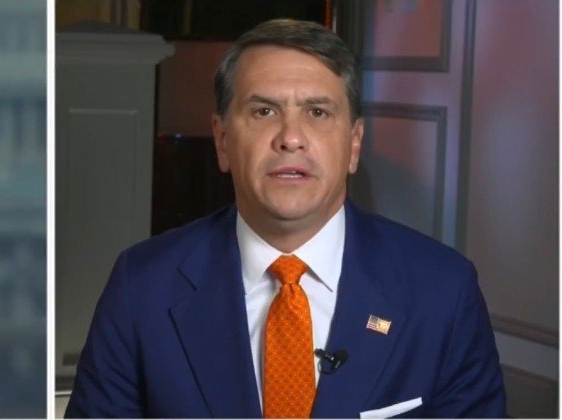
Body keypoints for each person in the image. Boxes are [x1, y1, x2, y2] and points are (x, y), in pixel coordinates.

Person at [65, 19, 505, 418]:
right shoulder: (141, 287)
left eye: (317, 112)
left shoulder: (444, 291)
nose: (291, 138)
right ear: (222, 140)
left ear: (354, 144)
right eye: (264, 111)